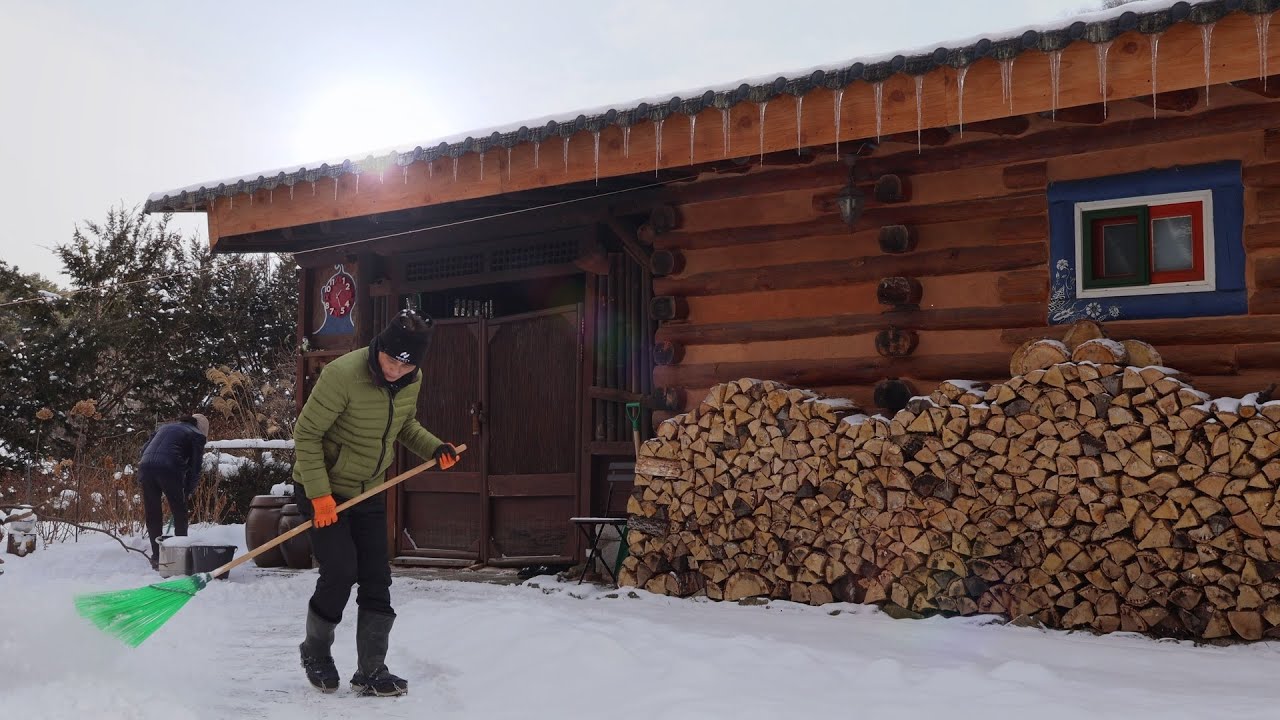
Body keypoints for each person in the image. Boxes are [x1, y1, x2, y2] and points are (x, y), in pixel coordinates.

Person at [293, 309, 459, 697]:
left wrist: (434, 448)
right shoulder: (342, 375)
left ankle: (371, 669)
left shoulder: (412, 379)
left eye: (407, 365)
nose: (397, 371)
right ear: (379, 348)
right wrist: (319, 496)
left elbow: (404, 427)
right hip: (323, 487)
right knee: (339, 570)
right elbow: (307, 434)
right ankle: (315, 651)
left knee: (376, 577)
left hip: (368, 490)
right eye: (391, 361)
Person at [138, 413, 209, 569]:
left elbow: (143, 449)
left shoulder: (164, 428)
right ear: (202, 429)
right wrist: (188, 489)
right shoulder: (197, 435)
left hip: (145, 467)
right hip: (169, 468)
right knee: (180, 512)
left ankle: (157, 558)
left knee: (153, 513)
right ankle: (179, 557)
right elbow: (195, 468)